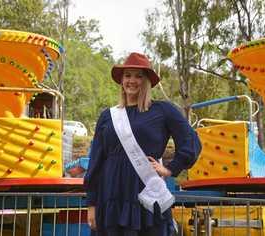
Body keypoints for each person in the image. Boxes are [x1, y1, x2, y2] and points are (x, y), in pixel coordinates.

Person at [84, 52, 202, 236]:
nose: (132, 80)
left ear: (147, 81)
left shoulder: (163, 110)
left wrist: (171, 169)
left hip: (145, 193)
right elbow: (96, 161)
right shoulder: (107, 116)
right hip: (110, 195)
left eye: (139, 76)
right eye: (127, 75)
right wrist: (92, 203)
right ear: (122, 80)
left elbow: (191, 140)